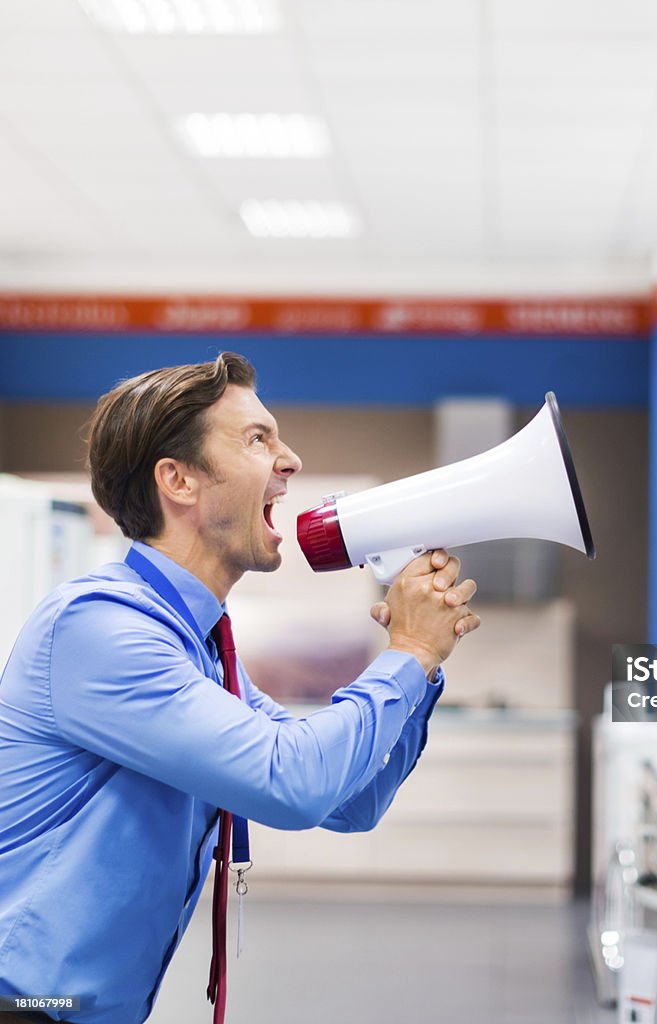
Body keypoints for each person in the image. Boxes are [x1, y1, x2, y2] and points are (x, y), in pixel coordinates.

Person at [0, 353, 480, 1024]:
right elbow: (292, 783)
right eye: (258, 438)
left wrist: (421, 665)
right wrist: (409, 650)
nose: (291, 461)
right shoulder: (102, 628)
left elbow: (347, 800)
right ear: (179, 481)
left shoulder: (197, 647)